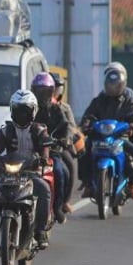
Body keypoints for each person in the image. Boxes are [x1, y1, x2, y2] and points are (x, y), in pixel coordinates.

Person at [0, 90, 52, 249]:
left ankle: (40, 232)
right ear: (12, 110)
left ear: (33, 111)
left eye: (25, 111)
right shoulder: (6, 130)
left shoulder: (39, 130)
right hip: (9, 173)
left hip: (31, 172)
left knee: (44, 189)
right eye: (18, 110)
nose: (21, 114)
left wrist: (44, 158)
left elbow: (45, 147)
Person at [78, 61, 133, 200]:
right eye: (110, 83)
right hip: (100, 136)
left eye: (117, 83)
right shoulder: (100, 98)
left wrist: (132, 126)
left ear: (124, 81)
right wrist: (86, 124)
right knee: (83, 151)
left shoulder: (131, 98)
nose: (113, 86)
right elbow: (88, 114)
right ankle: (87, 184)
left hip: (123, 135)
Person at [31, 72, 72, 224]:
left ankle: (57, 208)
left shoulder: (56, 109)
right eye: (39, 90)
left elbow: (66, 126)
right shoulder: (28, 107)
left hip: (52, 151)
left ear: (52, 91)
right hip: (29, 150)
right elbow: (16, 122)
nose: (42, 94)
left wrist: (65, 138)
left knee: (61, 173)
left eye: (46, 91)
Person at [51, 72, 79, 214]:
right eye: (53, 87)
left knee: (70, 168)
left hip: (59, 145)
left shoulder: (64, 108)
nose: (56, 91)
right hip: (40, 145)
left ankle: (65, 201)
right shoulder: (36, 105)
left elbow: (71, 127)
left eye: (58, 88)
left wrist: (66, 138)